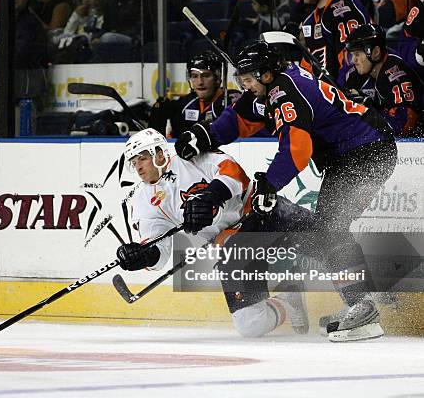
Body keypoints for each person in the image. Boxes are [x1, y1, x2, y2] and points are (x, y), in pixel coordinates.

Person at [175, 41, 398, 342]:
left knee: (331, 229)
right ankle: (363, 300)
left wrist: (269, 184)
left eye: (250, 79)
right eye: (242, 81)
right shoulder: (272, 87)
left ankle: (363, 306)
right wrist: (206, 135)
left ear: (267, 74)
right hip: (353, 152)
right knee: (327, 229)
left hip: (367, 151)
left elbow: (297, 149)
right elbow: (241, 116)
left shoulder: (285, 91)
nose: (247, 86)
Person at [116, 128, 312, 339]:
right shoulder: (144, 202)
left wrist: (210, 197)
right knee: (250, 325)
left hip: (262, 214)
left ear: (159, 153)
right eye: (134, 162)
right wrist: (143, 256)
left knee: (330, 241)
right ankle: (288, 300)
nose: (138, 167)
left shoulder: (188, 157)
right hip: (234, 246)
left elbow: (234, 172)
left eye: (142, 158)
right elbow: (159, 253)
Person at [344, 24, 423, 137]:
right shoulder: (357, 74)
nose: (353, 60)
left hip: (414, 146)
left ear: (375, 52)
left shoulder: (396, 74)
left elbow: (404, 126)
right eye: (352, 54)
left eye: (357, 54)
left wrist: (367, 109)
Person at [149, 51, 243, 138]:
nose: (200, 82)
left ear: (217, 78)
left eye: (206, 76)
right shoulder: (185, 104)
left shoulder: (231, 100)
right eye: (194, 76)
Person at [300, 0, 370, 84]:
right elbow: (307, 66)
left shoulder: (343, 7)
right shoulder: (310, 20)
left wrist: (340, 94)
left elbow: (352, 62)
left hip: (347, 93)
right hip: (325, 92)